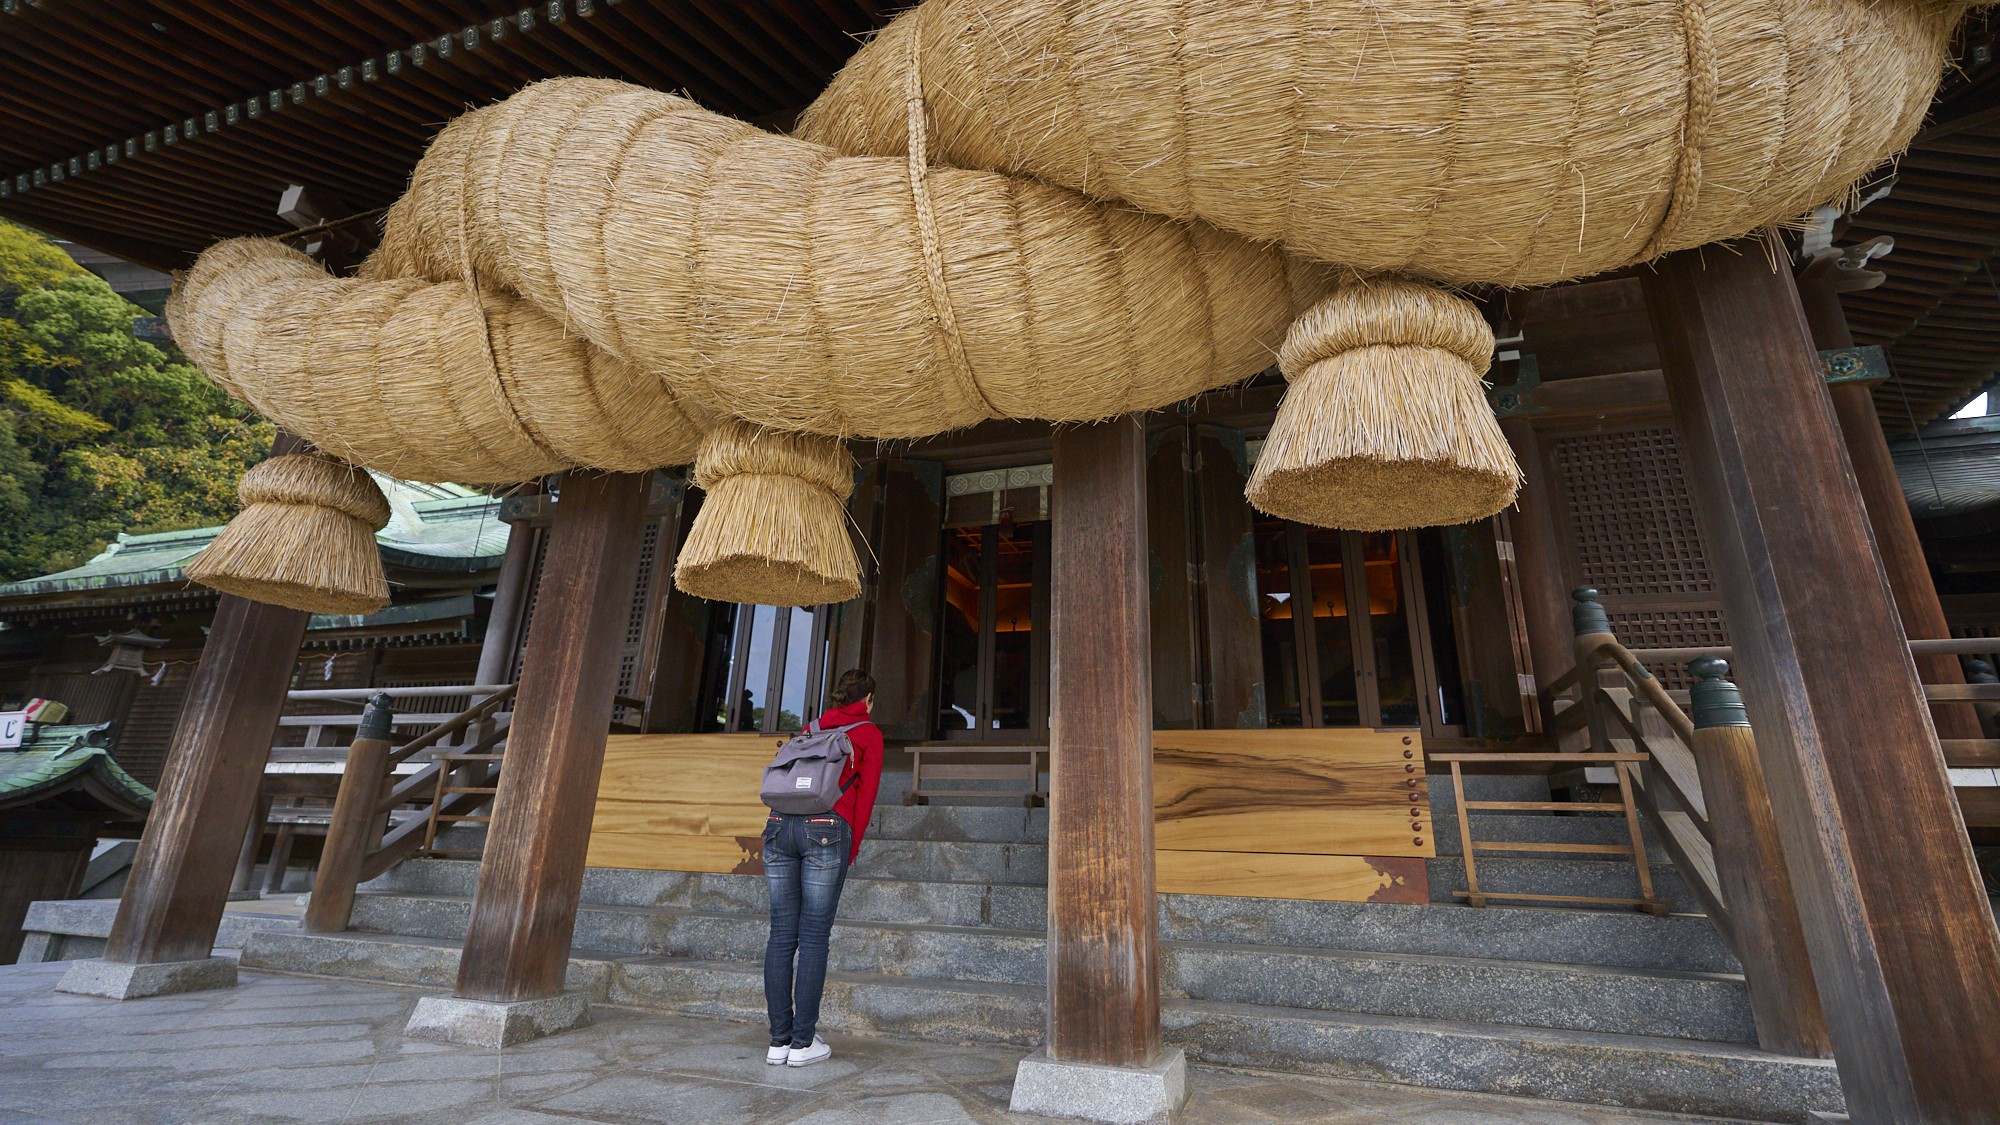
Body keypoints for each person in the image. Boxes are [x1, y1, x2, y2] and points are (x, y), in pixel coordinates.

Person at [763, 668, 882, 1067]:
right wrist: (852, 848)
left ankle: (778, 1041)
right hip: (827, 830)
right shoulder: (868, 733)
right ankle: (802, 1043)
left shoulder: (811, 728)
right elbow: (864, 799)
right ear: (866, 700)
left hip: (778, 825)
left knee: (782, 934)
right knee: (813, 936)